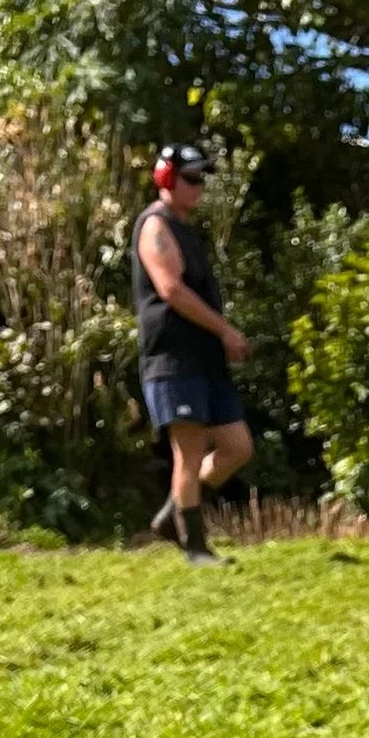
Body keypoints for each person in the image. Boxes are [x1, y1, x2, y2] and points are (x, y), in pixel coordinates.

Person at [134, 143, 251, 566]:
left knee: (237, 447)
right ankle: (196, 548)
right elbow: (170, 290)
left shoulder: (186, 229)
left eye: (202, 178)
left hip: (205, 359)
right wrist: (224, 329)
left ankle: (172, 514)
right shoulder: (155, 226)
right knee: (189, 451)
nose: (199, 187)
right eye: (191, 178)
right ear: (166, 178)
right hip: (172, 359)